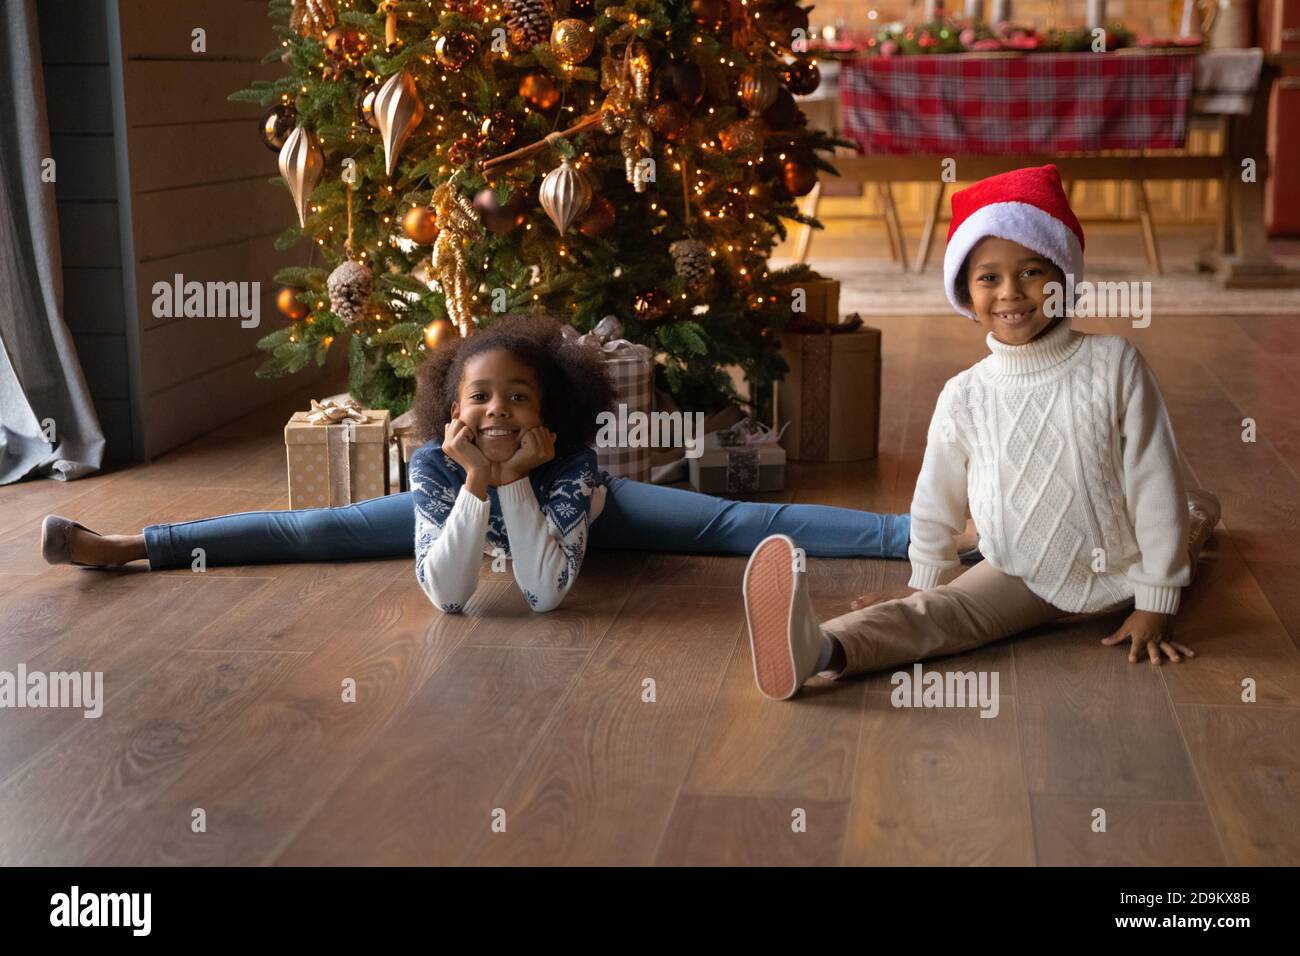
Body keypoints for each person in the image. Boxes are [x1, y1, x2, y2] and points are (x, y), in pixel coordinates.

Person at [43, 315, 974, 612]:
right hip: (464, 514)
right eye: (481, 396)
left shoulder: (573, 466)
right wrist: (477, 485)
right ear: (452, 406)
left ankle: (927, 537)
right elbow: (447, 596)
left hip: (577, 520)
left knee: (731, 525)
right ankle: (132, 546)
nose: (497, 410)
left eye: (520, 397)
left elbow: (538, 592)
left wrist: (523, 480)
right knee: (314, 529)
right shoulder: (434, 463)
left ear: (553, 414)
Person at [741, 164, 1221, 700]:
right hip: (1019, 571)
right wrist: (926, 585)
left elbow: (1154, 483)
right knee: (937, 618)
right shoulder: (965, 394)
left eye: (1034, 271)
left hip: (1122, 570)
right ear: (967, 295)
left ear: (1065, 276)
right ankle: (816, 649)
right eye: (989, 277)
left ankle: (1201, 518)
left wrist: (1156, 605)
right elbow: (935, 501)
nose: (1012, 292)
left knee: (1190, 513)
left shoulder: (1114, 364)